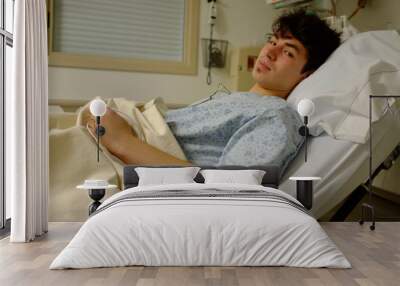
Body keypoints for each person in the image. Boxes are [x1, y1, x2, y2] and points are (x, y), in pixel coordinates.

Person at [86, 9, 341, 171]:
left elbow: (224, 189)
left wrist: (122, 141)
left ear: (308, 74)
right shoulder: (236, 99)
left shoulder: (276, 117)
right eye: (273, 41)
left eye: (287, 51)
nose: (270, 52)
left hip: (119, 152)